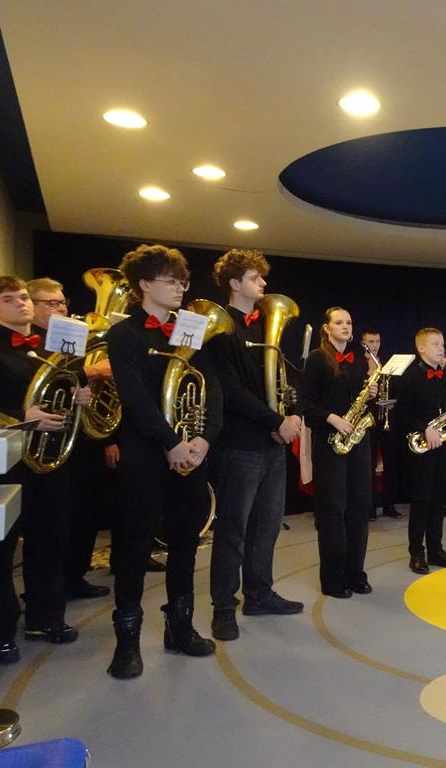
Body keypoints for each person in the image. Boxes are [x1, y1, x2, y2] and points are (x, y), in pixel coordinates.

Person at [104, 244, 220, 679]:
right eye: (171, 281)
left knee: (186, 544)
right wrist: (171, 442)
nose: (180, 288)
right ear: (144, 285)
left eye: (182, 282)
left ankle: (180, 629)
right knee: (134, 547)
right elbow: (134, 398)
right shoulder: (124, 334)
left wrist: (205, 439)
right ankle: (127, 643)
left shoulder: (189, 329)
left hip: (190, 454)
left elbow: (212, 388)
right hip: (145, 455)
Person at [0, 276, 90, 664]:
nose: (21, 303)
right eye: (8, 299)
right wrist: (21, 415)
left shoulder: (53, 348)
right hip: (8, 464)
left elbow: (70, 391)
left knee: (50, 540)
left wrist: (80, 396)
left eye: (23, 297)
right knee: (0, 551)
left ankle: (45, 618)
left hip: (52, 460)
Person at [206, 249, 304, 642]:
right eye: (254, 278)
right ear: (234, 283)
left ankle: (259, 594)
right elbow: (230, 392)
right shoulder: (219, 328)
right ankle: (223, 607)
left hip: (271, 445)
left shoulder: (265, 327)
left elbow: (280, 382)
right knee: (232, 530)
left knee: (266, 527)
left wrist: (290, 415)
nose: (263, 284)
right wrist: (277, 421)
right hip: (239, 445)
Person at [28, 276, 113, 601]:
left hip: (83, 440)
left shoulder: (75, 342)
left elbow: (83, 386)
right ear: (33, 306)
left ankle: (74, 577)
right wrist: (90, 372)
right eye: (51, 302)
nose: (61, 308)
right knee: (51, 523)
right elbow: (44, 383)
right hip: (46, 445)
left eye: (62, 302)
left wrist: (88, 391)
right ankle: (46, 590)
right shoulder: (31, 345)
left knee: (84, 513)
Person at [301, 307, 375, 598]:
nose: (346, 326)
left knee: (359, 507)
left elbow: (358, 400)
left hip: (357, 441)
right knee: (333, 511)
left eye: (349, 322)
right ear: (326, 328)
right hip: (329, 442)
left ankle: (356, 574)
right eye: (339, 322)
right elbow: (306, 405)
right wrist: (332, 418)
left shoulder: (357, 360)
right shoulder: (317, 359)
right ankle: (333, 580)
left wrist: (370, 394)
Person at [396, 328, 446, 573]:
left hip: (444, 443)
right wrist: (425, 428)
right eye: (435, 344)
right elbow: (400, 414)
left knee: (439, 498)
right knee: (422, 498)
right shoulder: (410, 377)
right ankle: (416, 551)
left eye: (442, 344)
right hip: (422, 445)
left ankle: (436, 549)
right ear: (421, 348)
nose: (441, 348)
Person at [360, 327, 401, 521]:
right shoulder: (357, 365)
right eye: (371, 342)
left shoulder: (387, 364)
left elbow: (395, 389)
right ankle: (369, 506)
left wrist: (392, 402)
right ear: (363, 344)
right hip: (367, 419)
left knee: (390, 462)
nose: (375, 346)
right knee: (367, 464)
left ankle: (389, 504)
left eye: (377, 342)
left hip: (385, 418)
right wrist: (369, 373)